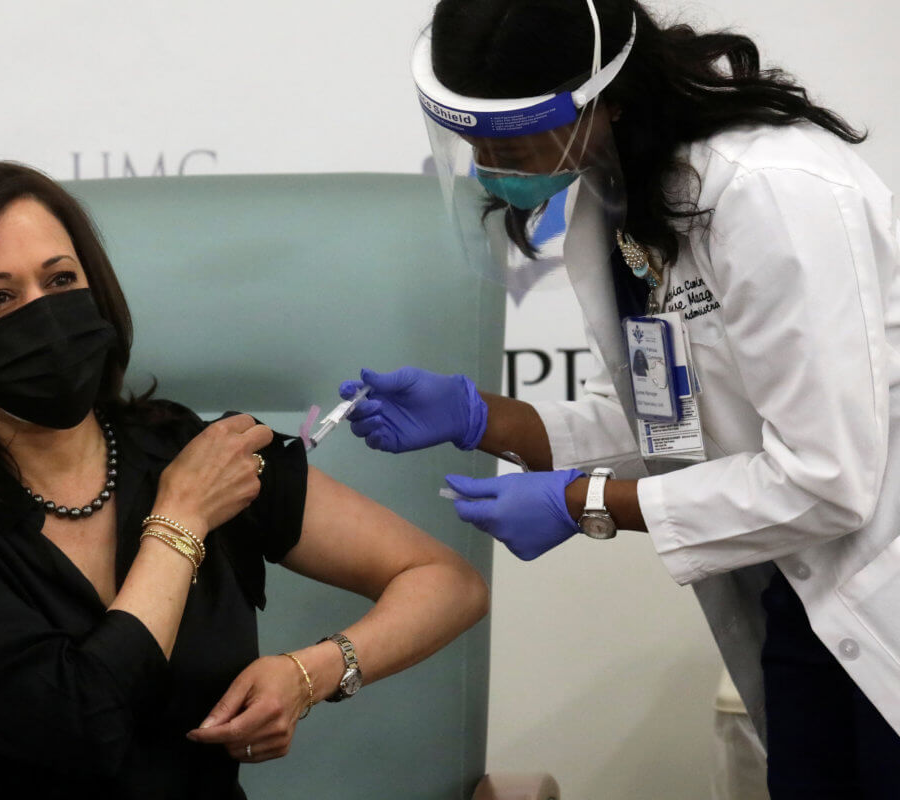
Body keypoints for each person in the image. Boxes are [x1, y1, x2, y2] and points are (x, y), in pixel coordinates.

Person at [341, 0, 900, 796]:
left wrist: (584, 501)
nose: (482, 157)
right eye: (467, 134)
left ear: (597, 94)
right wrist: (480, 418)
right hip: (808, 606)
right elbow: (665, 421)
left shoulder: (770, 192)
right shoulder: (619, 193)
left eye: (504, 135)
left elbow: (827, 478)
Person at [0, 161, 489, 799]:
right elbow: (82, 728)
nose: (44, 315)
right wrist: (179, 521)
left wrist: (309, 673)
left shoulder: (193, 452)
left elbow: (447, 585)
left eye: (62, 279)